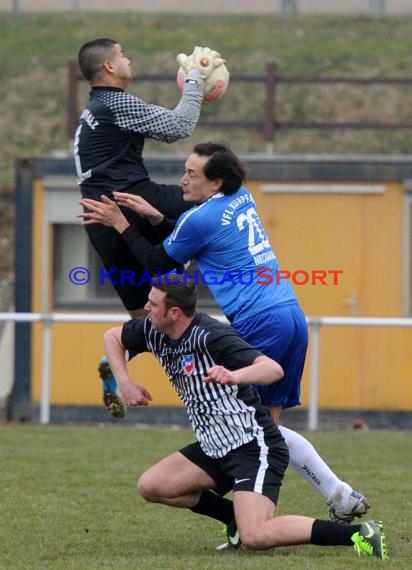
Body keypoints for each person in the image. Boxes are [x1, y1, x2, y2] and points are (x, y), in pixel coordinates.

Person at [103, 274, 387, 559]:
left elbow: (272, 369)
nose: (146, 308)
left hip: (254, 446)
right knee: (152, 486)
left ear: (174, 313)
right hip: (213, 446)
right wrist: (124, 383)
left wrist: (233, 375)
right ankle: (235, 518)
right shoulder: (154, 331)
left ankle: (360, 534)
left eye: (153, 304)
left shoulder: (212, 336)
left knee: (257, 536)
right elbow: (113, 337)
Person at [74, 39, 226, 411]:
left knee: (147, 316)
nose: (128, 58)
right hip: (129, 202)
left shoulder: (92, 110)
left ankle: (115, 360)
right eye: (123, 54)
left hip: (100, 219)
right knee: (212, 198)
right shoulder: (115, 102)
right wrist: (194, 80)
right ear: (109, 67)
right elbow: (179, 125)